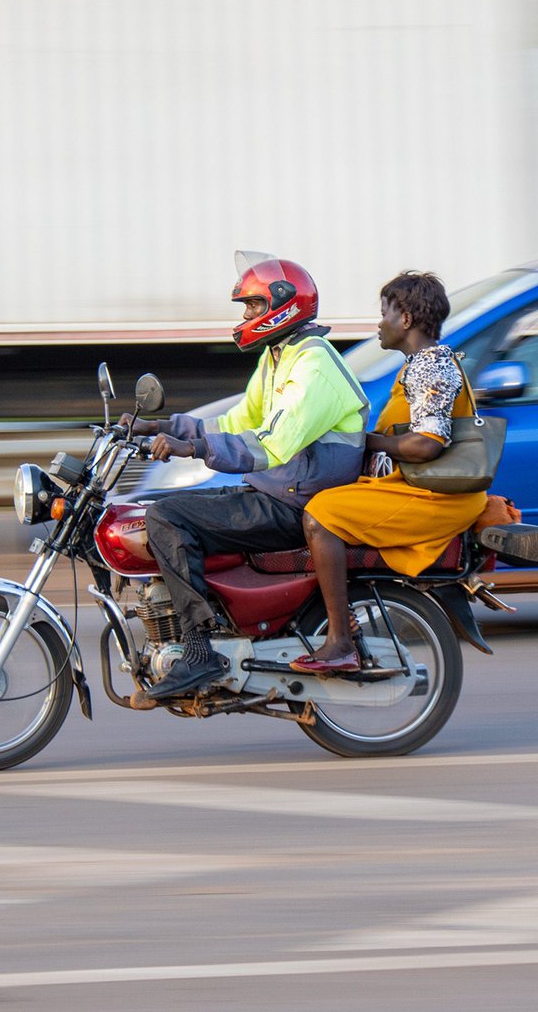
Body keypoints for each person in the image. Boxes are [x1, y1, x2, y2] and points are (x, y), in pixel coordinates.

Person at [126, 250, 369, 703]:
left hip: (296, 500)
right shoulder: (281, 356)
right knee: (149, 513)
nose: (247, 315)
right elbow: (237, 421)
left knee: (166, 518)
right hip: (280, 488)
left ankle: (199, 654)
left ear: (284, 304)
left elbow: (271, 443)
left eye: (253, 306)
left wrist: (193, 450)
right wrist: (161, 427)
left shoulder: (313, 365)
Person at [290, 270, 488, 675]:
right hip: (415, 490)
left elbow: (426, 444)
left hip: (435, 499)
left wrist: (363, 441)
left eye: (384, 313)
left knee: (320, 515)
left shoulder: (431, 366)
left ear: (407, 319)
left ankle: (341, 641)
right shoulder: (420, 364)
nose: (378, 323)